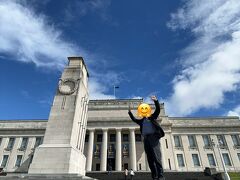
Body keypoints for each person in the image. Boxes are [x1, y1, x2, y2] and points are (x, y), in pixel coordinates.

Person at [128, 96, 165, 180]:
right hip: (146, 139)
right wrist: (129, 112)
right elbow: (134, 119)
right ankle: (154, 176)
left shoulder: (152, 117)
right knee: (150, 159)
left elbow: (158, 110)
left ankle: (161, 176)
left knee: (157, 158)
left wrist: (156, 101)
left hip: (153, 138)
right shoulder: (141, 121)